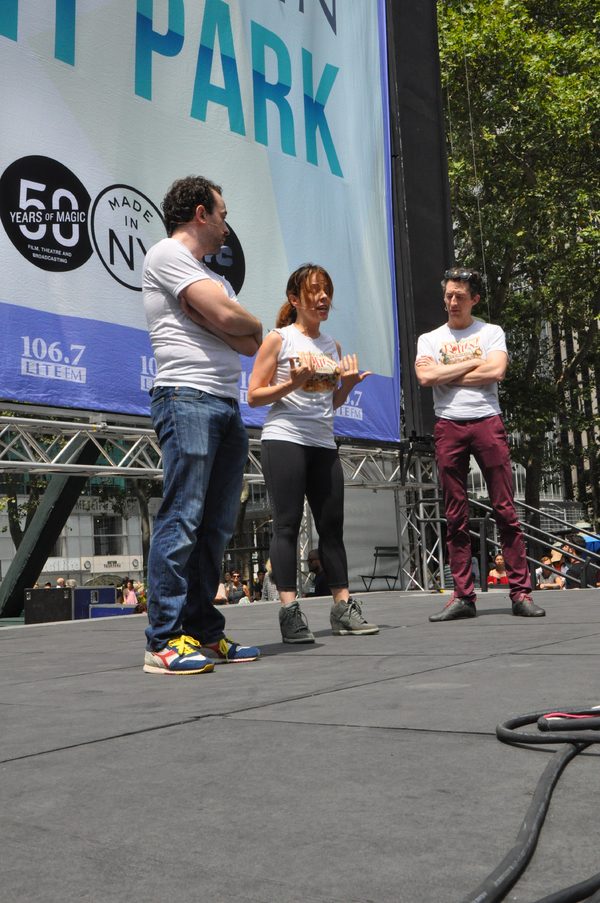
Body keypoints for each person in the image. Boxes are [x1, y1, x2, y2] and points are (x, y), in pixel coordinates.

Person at [142, 175, 263, 673]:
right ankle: (163, 640)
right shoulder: (168, 254)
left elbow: (250, 339)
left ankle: (203, 633)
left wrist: (230, 320)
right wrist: (229, 319)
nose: (226, 224)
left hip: (225, 404)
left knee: (214, 526)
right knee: (183, 516)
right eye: (223, 213)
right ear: (200, 213)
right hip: (185, 397)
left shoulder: (213, 277)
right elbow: (233, 322)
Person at [247, 263, 379, 642]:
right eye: (314, 291)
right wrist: (292, 383)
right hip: (284, 437)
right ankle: (290, 612)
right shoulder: (279, 338)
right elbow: (255, 396)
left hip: (323, 442)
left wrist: (348, 385)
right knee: (287, 525)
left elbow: (329, 402)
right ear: (295, 299)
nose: (323, 298)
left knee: (331, 529)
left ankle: (343, 608)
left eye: (327, 291)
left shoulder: (331, 346)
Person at [415, 267, 544, 621]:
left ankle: (520, 593)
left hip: (487, 421)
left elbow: (496, 371)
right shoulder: (430, 338)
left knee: (505, 510)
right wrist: (474, 361)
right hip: (448, 425)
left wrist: (449, 369)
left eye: (459, 296)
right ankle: (463, 596)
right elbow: (425, 376)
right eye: (448, 296)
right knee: (455, 514)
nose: (452, 302)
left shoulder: (491, 332)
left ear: (475, 299)